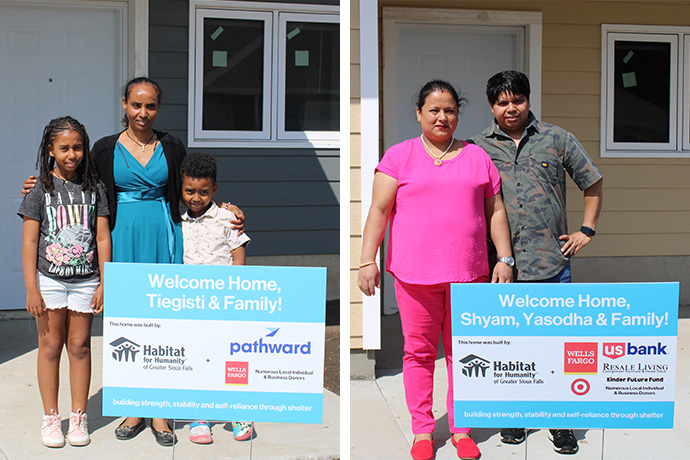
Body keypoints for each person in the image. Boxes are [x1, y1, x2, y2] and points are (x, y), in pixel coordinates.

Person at [22, 77, 246, 447]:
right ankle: (134, 407)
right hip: (120, 235)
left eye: (151, 106)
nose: (143, 113)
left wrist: (224, 208)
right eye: (136, 105)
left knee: (163, 322)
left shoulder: (171, 146)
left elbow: (195, 186)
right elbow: (75, 180)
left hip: (162, 233)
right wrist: (36, 183)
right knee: (128, 323)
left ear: (158, 108)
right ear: (124, 104)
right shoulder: (104, 149)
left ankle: (160, 411)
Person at [358, 80, 514, 460]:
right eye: (434, 110)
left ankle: (462, 429)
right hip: (414, 275)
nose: (442, 117)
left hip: (469, 272)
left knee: (464, 352)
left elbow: (495, 211)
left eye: (450, 110)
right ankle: (423, 431)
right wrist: (367, 259)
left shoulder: (478, 157)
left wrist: (505, 258)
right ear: (419, 113)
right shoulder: (399, 156)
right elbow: (379, 210)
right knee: (418, 352)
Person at [469, 70, 604, 455]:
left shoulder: (557, 139)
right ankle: (515, 414)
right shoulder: (478, 148)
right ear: (491, 105)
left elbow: (592, 181)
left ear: (528, 100)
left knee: (556, 347)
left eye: (517, 100)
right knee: (510, 347)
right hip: (503, 268)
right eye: (502, 102)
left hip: (552, 264)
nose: (510, 108)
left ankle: (561, 422)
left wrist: (586, 230)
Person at [19, 116, 112, 448]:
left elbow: (102, 237)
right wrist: (31, 288)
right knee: (49, 347)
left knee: (80, 347)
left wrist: (105, 280)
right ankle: (50, 417)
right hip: (50, 281)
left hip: (87, 281)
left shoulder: (94, 188)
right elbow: (30, 242)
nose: (72, 154)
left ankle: (78, 416)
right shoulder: (40, 190)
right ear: (50, 150)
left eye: (77, 147)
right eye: (64, 148)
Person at [178, 152, 252, 445]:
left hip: (225, 300)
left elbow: (238, 253)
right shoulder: (175, 218)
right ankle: (201, 414)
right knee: (198, 355)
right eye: (190, 191)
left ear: (215, 190)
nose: (196, 198)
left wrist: (238, 290)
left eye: (204, 192)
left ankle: (238, 409)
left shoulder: (227, 217)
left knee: (231, 355)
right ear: (181, 188)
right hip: (190, 303)